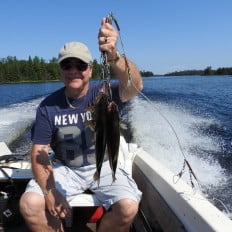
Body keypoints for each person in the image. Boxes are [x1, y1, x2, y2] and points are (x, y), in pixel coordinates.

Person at [19, 18, 143, 232]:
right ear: (60, 70)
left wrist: (112, 55)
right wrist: (49, 192)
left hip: (104, 165)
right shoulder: (47, 107)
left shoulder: (106, 92)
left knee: (128, 207)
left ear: (91, 70)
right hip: (66, 168)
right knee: (30, 204)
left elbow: (134, 85)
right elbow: (39, 150)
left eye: (80, 65)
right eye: (67, 65)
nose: (74, 70)